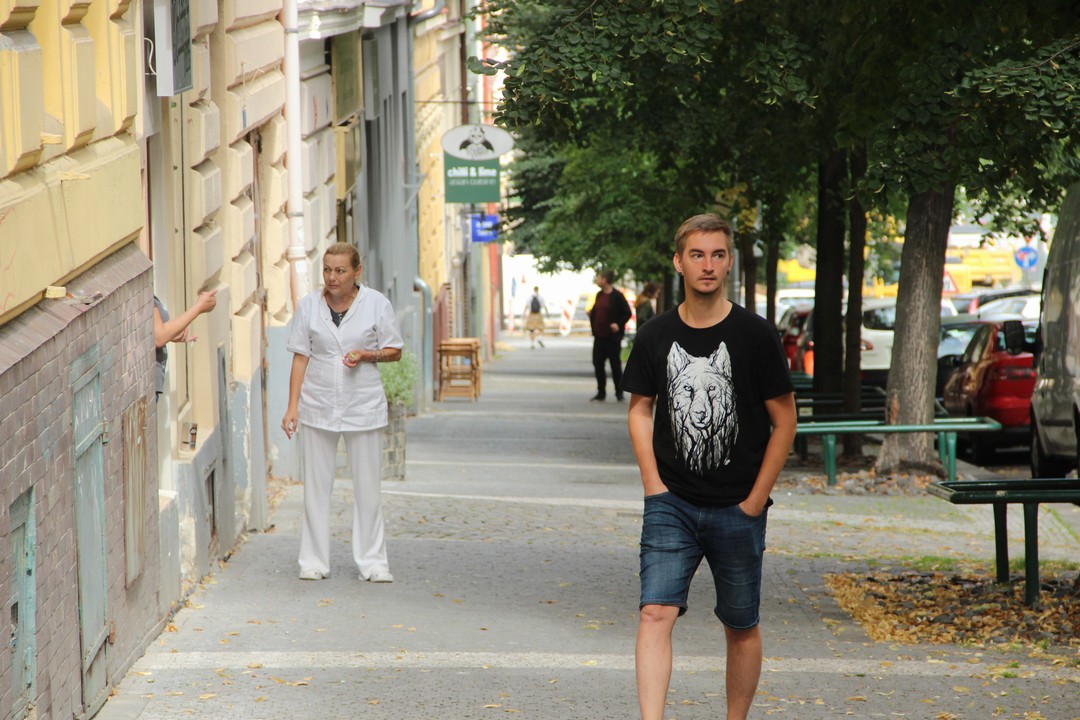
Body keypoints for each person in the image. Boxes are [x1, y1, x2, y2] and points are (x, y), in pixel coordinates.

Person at [619, 215, 797, 720]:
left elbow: (785, 421)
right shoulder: (656, 334)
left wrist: (755, 501)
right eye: (697, 255)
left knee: (741, 626)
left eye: (718, 254)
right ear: (679, 262)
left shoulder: (755, 335)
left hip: (738, 505)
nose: (708, 265)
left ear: (729, 262)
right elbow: (640, 409)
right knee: (655, 611)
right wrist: (653, 485)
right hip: (671, 502)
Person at [281, 242, 404, 583]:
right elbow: (300, 356)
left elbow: (395, 350)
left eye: (340, 271)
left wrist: (366, 355)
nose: (332, 277)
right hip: (318, 402)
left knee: (368, 489)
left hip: (362, 404)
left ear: (356, 272)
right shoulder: (309, 306)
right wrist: (292, 406)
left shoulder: (376, 304)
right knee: (315, 488)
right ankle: (313, 561)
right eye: (327, 270)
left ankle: (373, 563)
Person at [154, 289, 219, 397]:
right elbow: (159, 337)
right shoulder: (142, 289)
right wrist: (199, 307)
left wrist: (170, 334)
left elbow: (155, 332)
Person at [588, 269, 632, 401]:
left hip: (612, 338)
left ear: (606, 280)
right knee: (598, 364)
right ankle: (601, 392)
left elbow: (627, 313)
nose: (598, 280)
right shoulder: (599, 295)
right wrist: (592, 315)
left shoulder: (617, 296)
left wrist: (618, 324)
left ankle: (619, 392)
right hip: (599, 336)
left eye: (600, 278)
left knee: (615, 365)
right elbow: (597, 311)